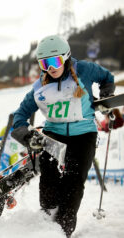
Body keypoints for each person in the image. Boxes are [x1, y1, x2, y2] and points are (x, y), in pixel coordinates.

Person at [10, 35, 115, 237]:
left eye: (55, 61)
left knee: (74, 183)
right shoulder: (39, 87)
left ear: (66, 57)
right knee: (48, 180)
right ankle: (46, 219)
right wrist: (26, 136)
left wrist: (106, 94)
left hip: (83, 134)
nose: (50, 68)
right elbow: (20, 116)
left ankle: (63, 228)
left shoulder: (84, 69)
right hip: (53, 135)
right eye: (44, 63)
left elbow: (107, 77)